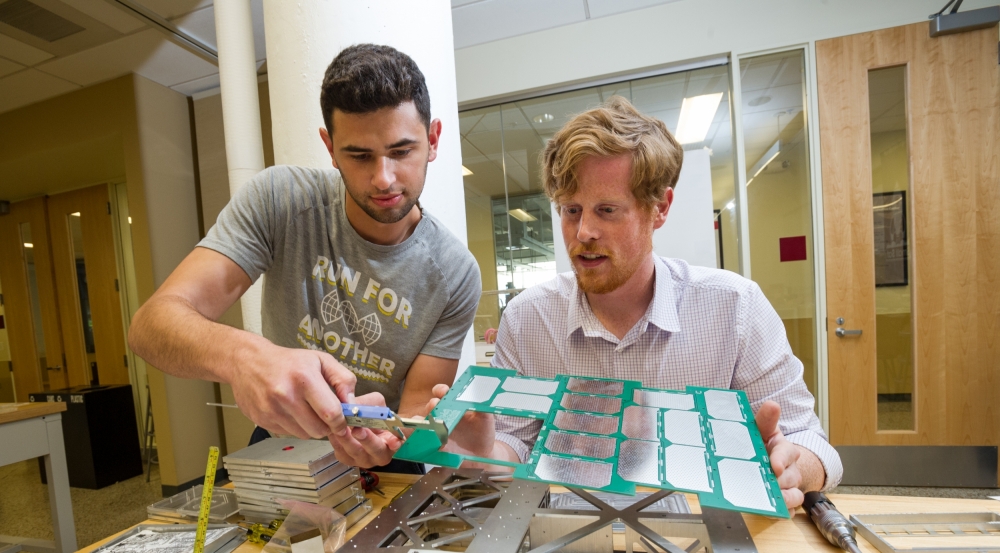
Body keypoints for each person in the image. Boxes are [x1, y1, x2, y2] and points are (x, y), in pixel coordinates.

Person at [424, 96, 842, 508]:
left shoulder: (735, 308)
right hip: (569, 536)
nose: (583, 231)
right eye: (571, 210)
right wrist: (481, 453)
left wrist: (792, 468)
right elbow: (516, 446)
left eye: (607, 210)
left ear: (659, 208)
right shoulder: (528, 317)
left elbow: (812, 446)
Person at [128, 44, 481, 473]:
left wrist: (395, 441)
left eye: (402, 151)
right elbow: (151, 325)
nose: (384, 178)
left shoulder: (454, 272)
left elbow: (414, 417)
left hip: (381, 452)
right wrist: (247, 357)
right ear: (330, 148)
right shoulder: (280, 200)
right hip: (282, 443)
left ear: (433, 140)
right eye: (359, 155)